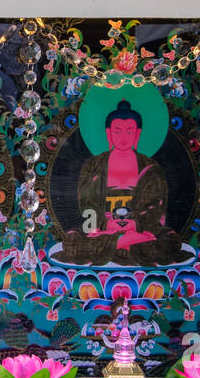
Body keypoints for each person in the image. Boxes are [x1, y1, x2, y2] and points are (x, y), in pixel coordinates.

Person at [60, 101, 182, 265]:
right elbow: (87, 203)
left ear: (137, 134)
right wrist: (107, 223)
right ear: (108, 134)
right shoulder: (94, 166)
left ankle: (118, 243)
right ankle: (125, 243)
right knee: (71, 241)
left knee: (170, 241)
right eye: (117, 132)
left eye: (129, 131)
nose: (123, 137)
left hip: (139, 228)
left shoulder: (150, 168)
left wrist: (134, 224)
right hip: (103, 230)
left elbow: (156, 206)